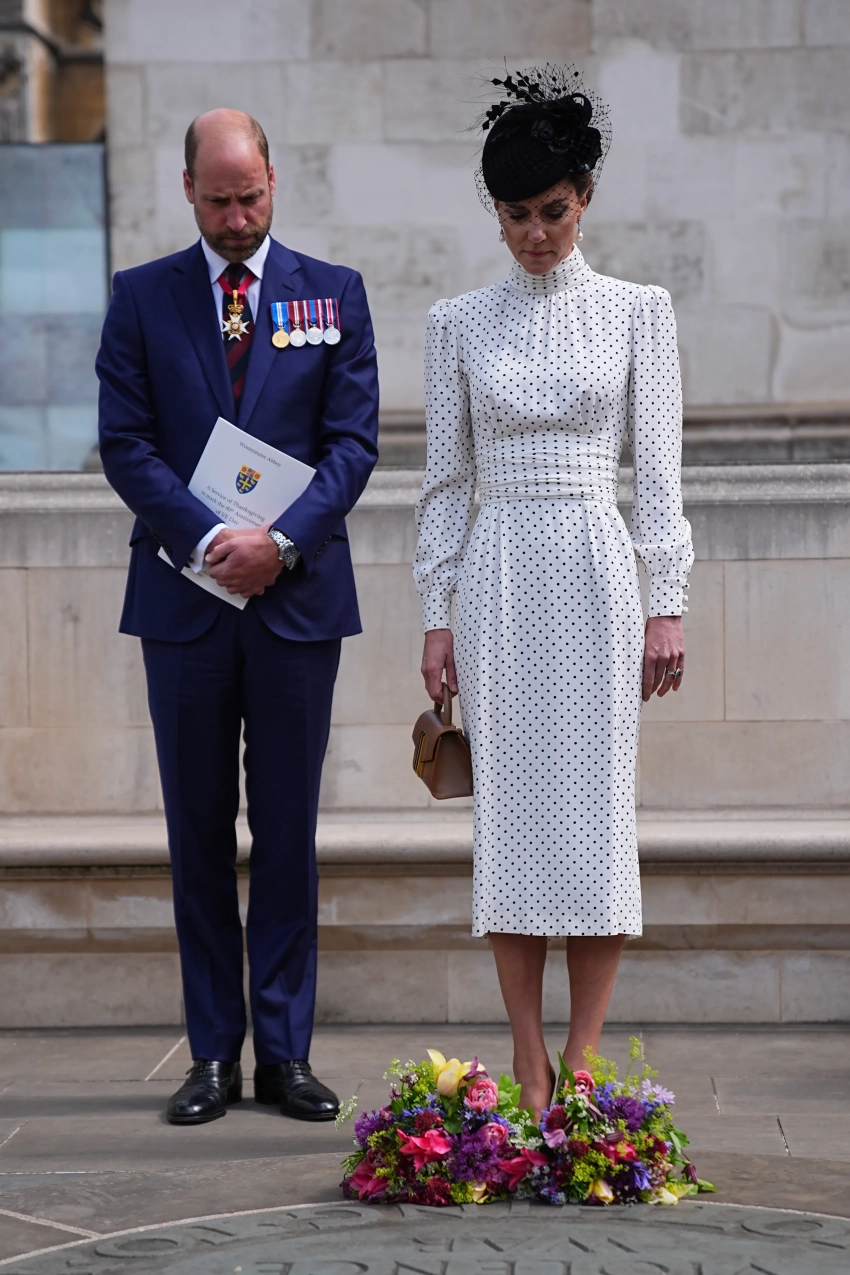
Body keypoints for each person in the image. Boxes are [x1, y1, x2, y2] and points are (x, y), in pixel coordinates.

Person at [414, 68, 693, 1119]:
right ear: (493, 212)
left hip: (595, 571)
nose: (535, 233)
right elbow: (444, 484)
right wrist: (435, 615)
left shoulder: (638, 312)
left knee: (596, 819)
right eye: (516, 214)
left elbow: (658, 473)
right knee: (511, 822)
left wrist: (666, 599)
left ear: (585, 199)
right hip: (497, 579)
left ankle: (582, 1060)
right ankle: (526, 1058)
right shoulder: (456, 322)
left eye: (554, 211)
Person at [97, 109, 378, 1125]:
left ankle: (285, 1054)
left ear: (273, 180)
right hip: (185, 606)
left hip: (297, 606)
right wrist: (213, 538)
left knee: (290, 835)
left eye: (249, 197)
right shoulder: (141, 298)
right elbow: (126, 443)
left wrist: (281, 543)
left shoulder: (332, 293)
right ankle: (213, 1053)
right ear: (188, 189)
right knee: (199, 836)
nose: (235, 218)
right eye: (217, 200)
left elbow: (352, 444)